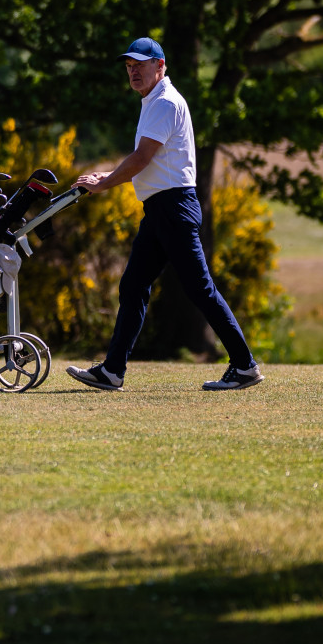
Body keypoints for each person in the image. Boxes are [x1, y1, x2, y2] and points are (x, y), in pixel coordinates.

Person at [64, 38, 263, 392]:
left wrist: (105, 183)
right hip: (160, 209)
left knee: (200, 289)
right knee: (134, 285)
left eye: (140, 65)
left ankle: (245, 366)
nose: (133, 71)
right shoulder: (154, 101)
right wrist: (108, 175)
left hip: (173, 208)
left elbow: (142, 159)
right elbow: (148, 160)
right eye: (129, 66)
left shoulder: (165, 102)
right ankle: (112, 371)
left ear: (160, 65)